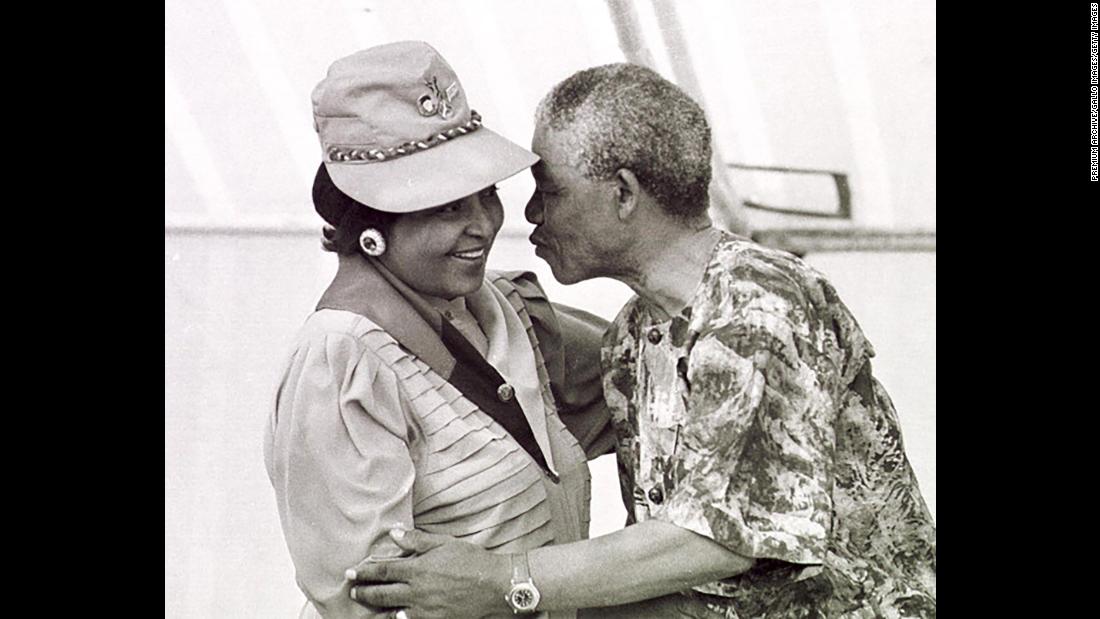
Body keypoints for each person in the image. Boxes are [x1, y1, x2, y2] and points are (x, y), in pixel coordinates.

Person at [348, 63, 936, 618]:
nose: (528, 213)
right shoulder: (632, 335)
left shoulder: (757, 306)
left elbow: (716, 542)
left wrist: (505, 582)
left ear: (624, 194)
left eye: (549, 190)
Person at [264, 42, 614, 619]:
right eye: (447, 207)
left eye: (487, 195)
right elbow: (367, 600)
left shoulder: (501, 304)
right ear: (372, 226)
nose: (483, 225)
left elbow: (638, 374)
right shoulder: (342, 360)